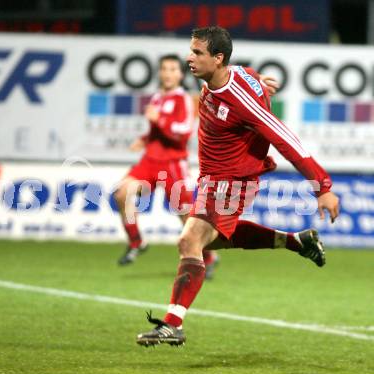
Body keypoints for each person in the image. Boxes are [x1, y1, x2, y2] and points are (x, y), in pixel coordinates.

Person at [136, 26, 340, 346]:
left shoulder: (240, 101)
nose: (189, 57)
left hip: (230, 182)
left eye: (198, 53)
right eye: (191, 50)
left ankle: (172, 324)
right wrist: (258, 79)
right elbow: (245, 74)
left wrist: (322, 187)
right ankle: (296, 242)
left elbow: (284, 139)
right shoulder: (233, 76)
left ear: (218, 59)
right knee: (211, 241)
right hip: (212, 178)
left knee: (189, 241)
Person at [114, 54, 278, 280]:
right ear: (160, 73)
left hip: (172, 165)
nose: (168, 73)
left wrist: (159, 120)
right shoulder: (156, 99)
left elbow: (182, 133)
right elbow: (156, 131)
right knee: (122, 193)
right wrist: (144, 138)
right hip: (149, 162)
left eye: (173, 69)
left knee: (186, 218)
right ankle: (136, 242)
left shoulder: (184, 99)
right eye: (164, 69)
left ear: (180, 74)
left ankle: (209, 258)